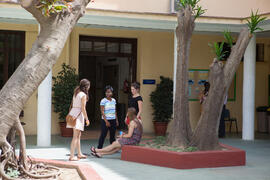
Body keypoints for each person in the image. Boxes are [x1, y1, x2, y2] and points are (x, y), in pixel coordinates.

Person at [67, 79, 90, 161]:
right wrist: (87, 119)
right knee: (75, 137)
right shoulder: (83, 95)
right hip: (78, 116)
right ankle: (72, 156)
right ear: (86, 86)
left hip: (73, 114)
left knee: (78, 135)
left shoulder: (76, 93)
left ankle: (79, 153)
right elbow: (83, 109)